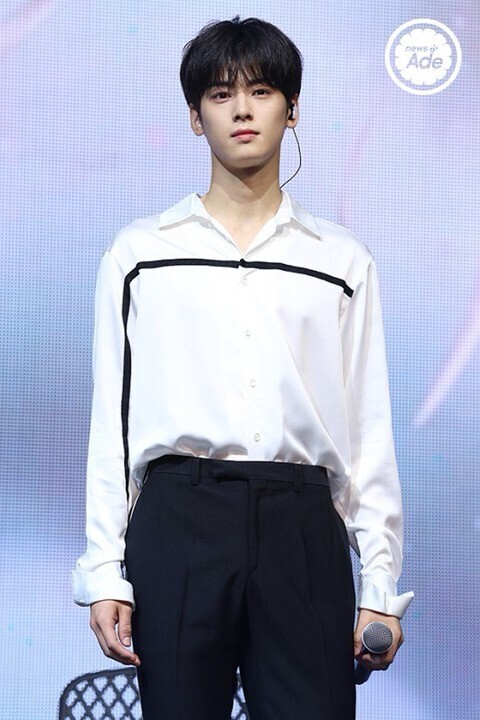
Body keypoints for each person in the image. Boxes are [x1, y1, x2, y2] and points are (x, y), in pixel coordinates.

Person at [72, 15, 414, 719]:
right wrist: (104, 570)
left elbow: (367, 430)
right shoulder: (140, 254)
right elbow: (111, 424)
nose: (242, 110)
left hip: (302, 524)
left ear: (292, 109)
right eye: (221, 94)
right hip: (179, 519)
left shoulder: (341, 260)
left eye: (260, 91)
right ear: (195, 117)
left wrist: (380, 582)